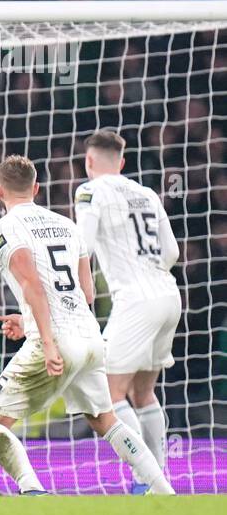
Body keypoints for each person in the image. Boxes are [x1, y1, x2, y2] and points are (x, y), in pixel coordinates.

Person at [0, 156, 173, 495]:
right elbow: (87, 292)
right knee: (104, 419)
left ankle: (32, 491)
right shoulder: (67, 225)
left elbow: (33, 285)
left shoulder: (3, 229)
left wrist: (47, 341)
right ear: (36, 188)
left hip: (55, 341)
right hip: (90, 337)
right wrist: (29, 319)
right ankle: (162, 488)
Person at [73, 129, 181, 492]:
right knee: (143, 393)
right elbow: (172, 254)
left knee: (108, 392)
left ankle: (145, 478)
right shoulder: (147, 193)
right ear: (122, 162)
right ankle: (155, 478)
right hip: (168, 296)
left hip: (135, 300)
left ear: (89, 161)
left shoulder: (89, 191)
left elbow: (82, 246)